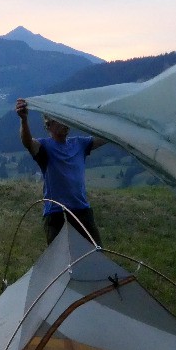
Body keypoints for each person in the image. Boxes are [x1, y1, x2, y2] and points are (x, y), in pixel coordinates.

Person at [15, 97, 108, 245]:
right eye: (59, 120)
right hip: (56, 213)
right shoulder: (44, 147)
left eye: (65, 120)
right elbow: (27, 142)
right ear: (49, 125)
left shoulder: (79, 144)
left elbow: (105, 137)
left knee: (96, 254)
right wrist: (24, 120)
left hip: (82, 210)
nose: (64, 124)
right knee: (59, 260)